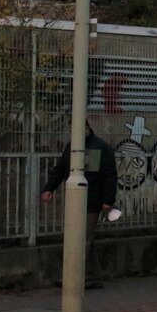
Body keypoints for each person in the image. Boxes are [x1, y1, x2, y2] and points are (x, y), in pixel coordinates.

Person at [41, 121, 117, 289]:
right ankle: (94, 276)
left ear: (88, 128)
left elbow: (109, 176)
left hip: (92, 201)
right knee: (85, 238)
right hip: (76, 202)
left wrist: (107, 201)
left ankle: (73, 276)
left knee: (81, 239)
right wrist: (48, 189)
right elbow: (61, 169)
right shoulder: (72, 147)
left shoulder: (101, 148)